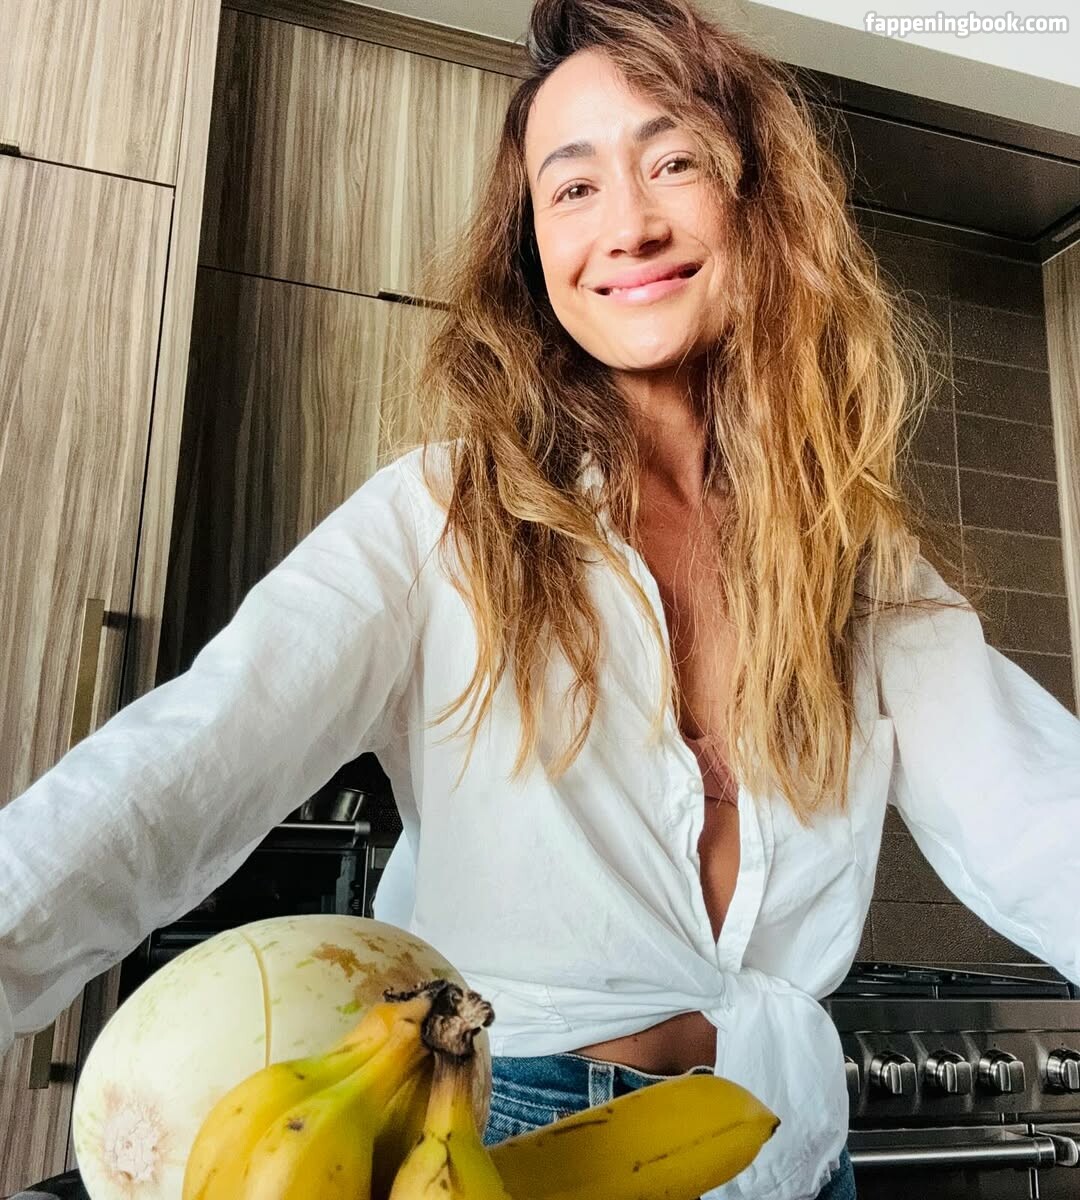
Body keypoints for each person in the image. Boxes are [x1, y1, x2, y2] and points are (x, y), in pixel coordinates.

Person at [2, 0, 1079, 1196]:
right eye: (573, 188)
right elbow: (176, 771)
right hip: (504, 1138)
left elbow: (1039, 817)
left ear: (759, 203)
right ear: (531, 248)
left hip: (785, 1143)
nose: (629, 223)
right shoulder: (442, 515)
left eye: (674, 163)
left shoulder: (853, 555)